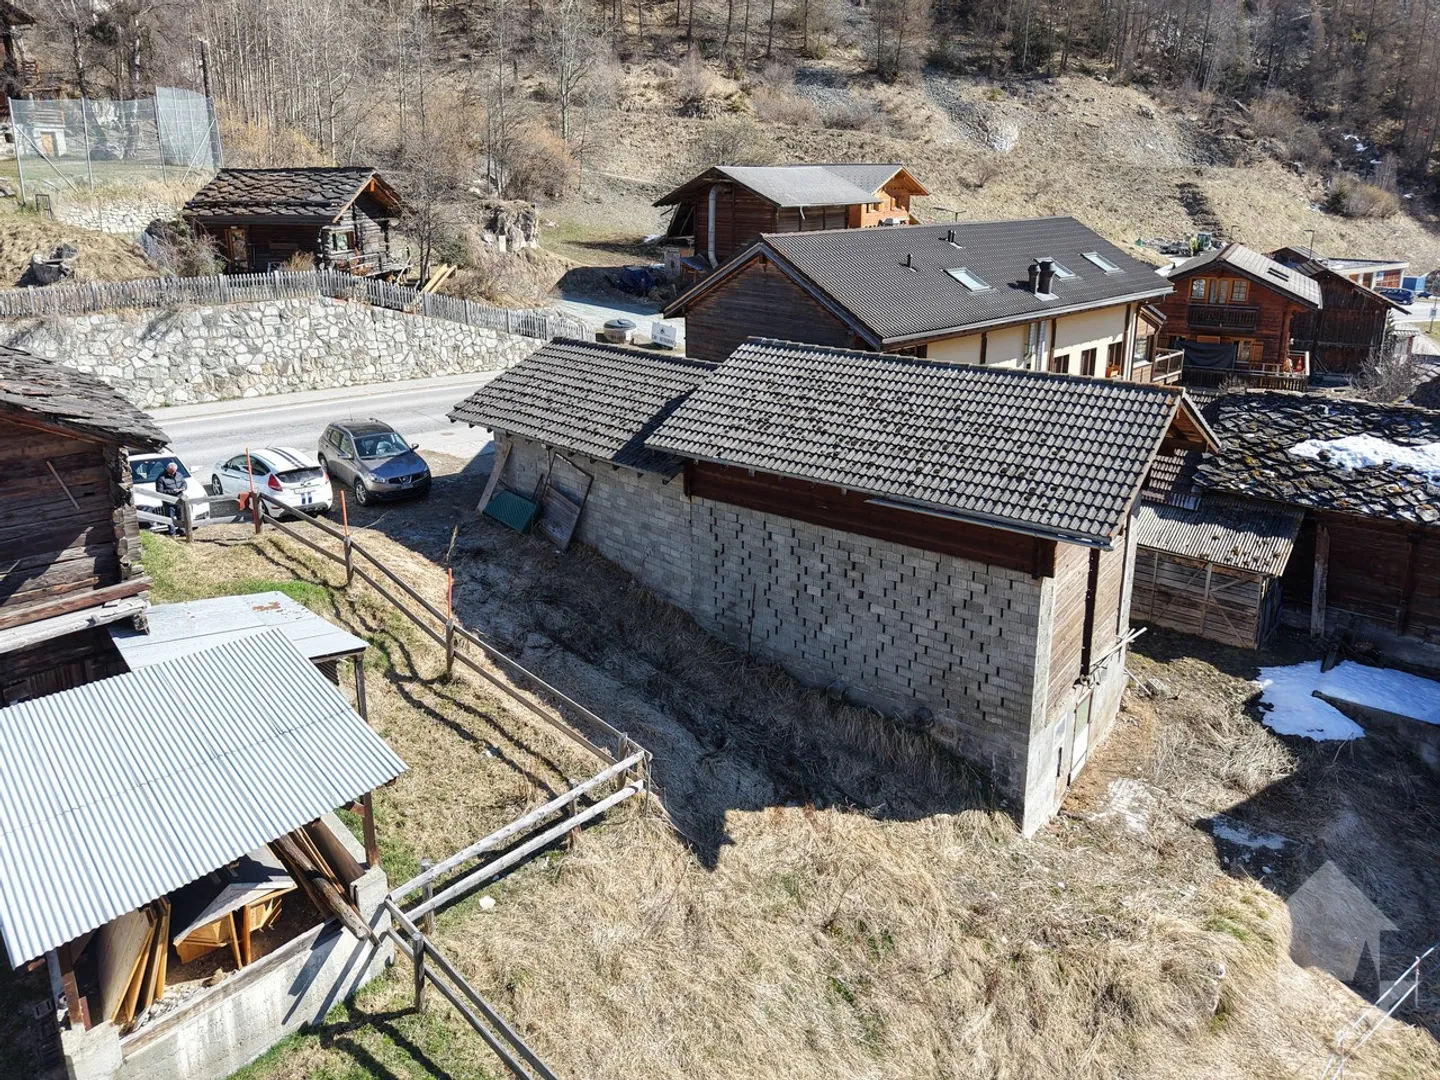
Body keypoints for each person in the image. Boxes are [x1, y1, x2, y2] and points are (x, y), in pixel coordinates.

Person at [155, 460, 188, 536]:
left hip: (179, 499)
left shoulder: (179, 475)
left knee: (181, 516)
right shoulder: (161, 478)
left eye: (173, 471)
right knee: (170, 518)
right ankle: (172, 533)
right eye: (170, 471)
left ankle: (182, 531)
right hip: (168, 501)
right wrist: (172, 491)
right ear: (167, 469)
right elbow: (159, 491)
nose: (172, 473)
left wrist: (183, 488)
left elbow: (184, 483)